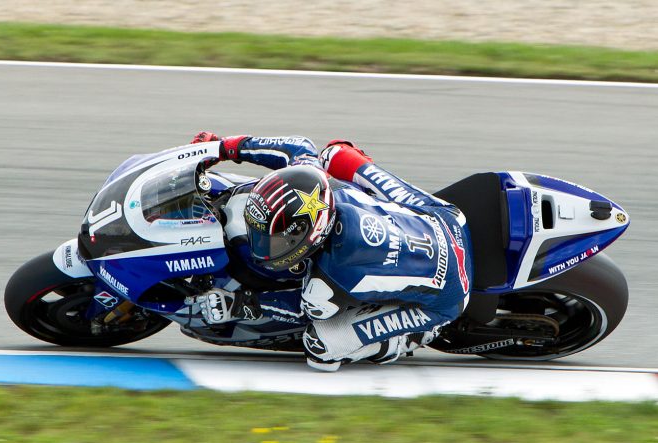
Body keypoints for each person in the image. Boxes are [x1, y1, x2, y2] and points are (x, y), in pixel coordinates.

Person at [191, 132, 472, 371]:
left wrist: (240, 305)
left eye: (273, 241)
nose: (262, 244)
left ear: (308, 238)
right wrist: (224, 147)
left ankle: (415, 336)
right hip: (448, 220)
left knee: (321, 348)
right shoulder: (318, 183)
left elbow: (298, 311)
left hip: (451, 294)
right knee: (336, 153)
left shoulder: (323, 284)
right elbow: (296, 146)